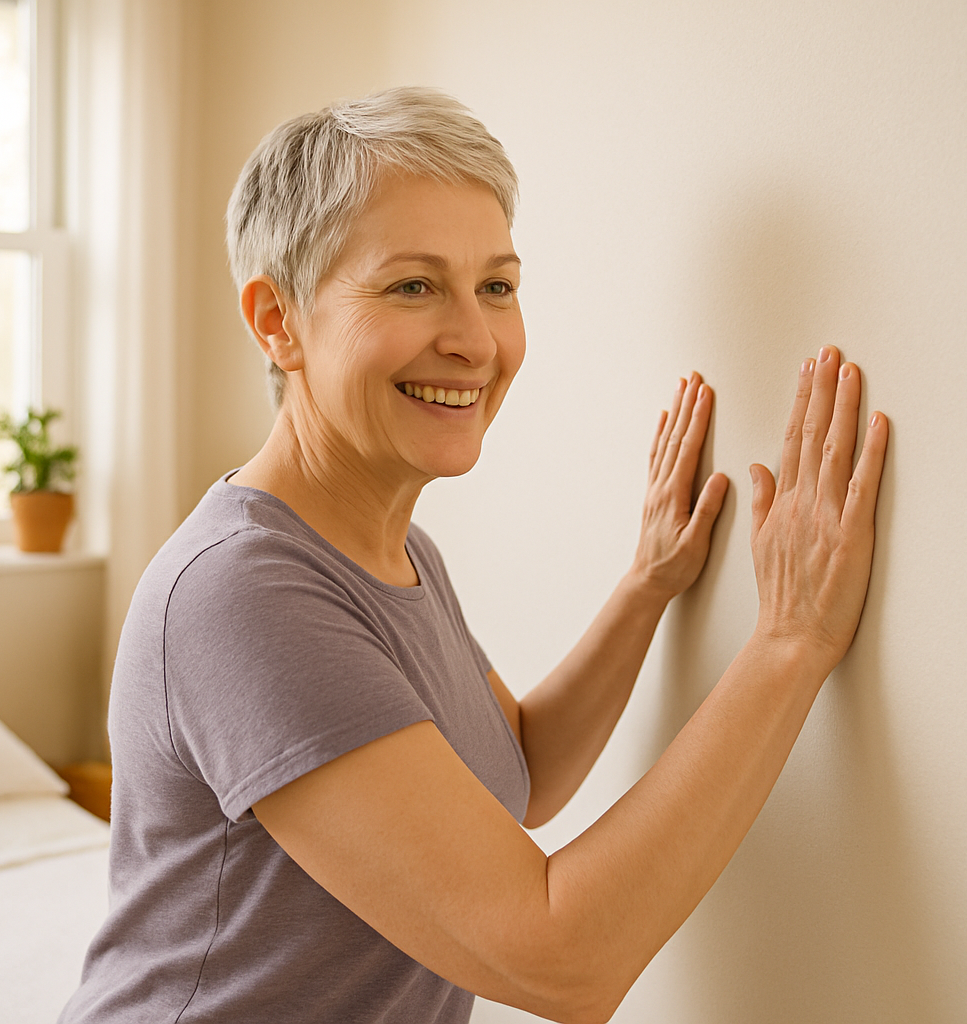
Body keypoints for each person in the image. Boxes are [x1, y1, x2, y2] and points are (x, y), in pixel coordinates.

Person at [59, 87, 888, 1024]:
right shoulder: (242, 595)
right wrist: (790, 642)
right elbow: (561, 963)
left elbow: (521, 771)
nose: (475, 340)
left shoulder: (396, 549)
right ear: (277, 322)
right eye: (412, 286)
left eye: (496, 286)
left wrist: (648, 582)